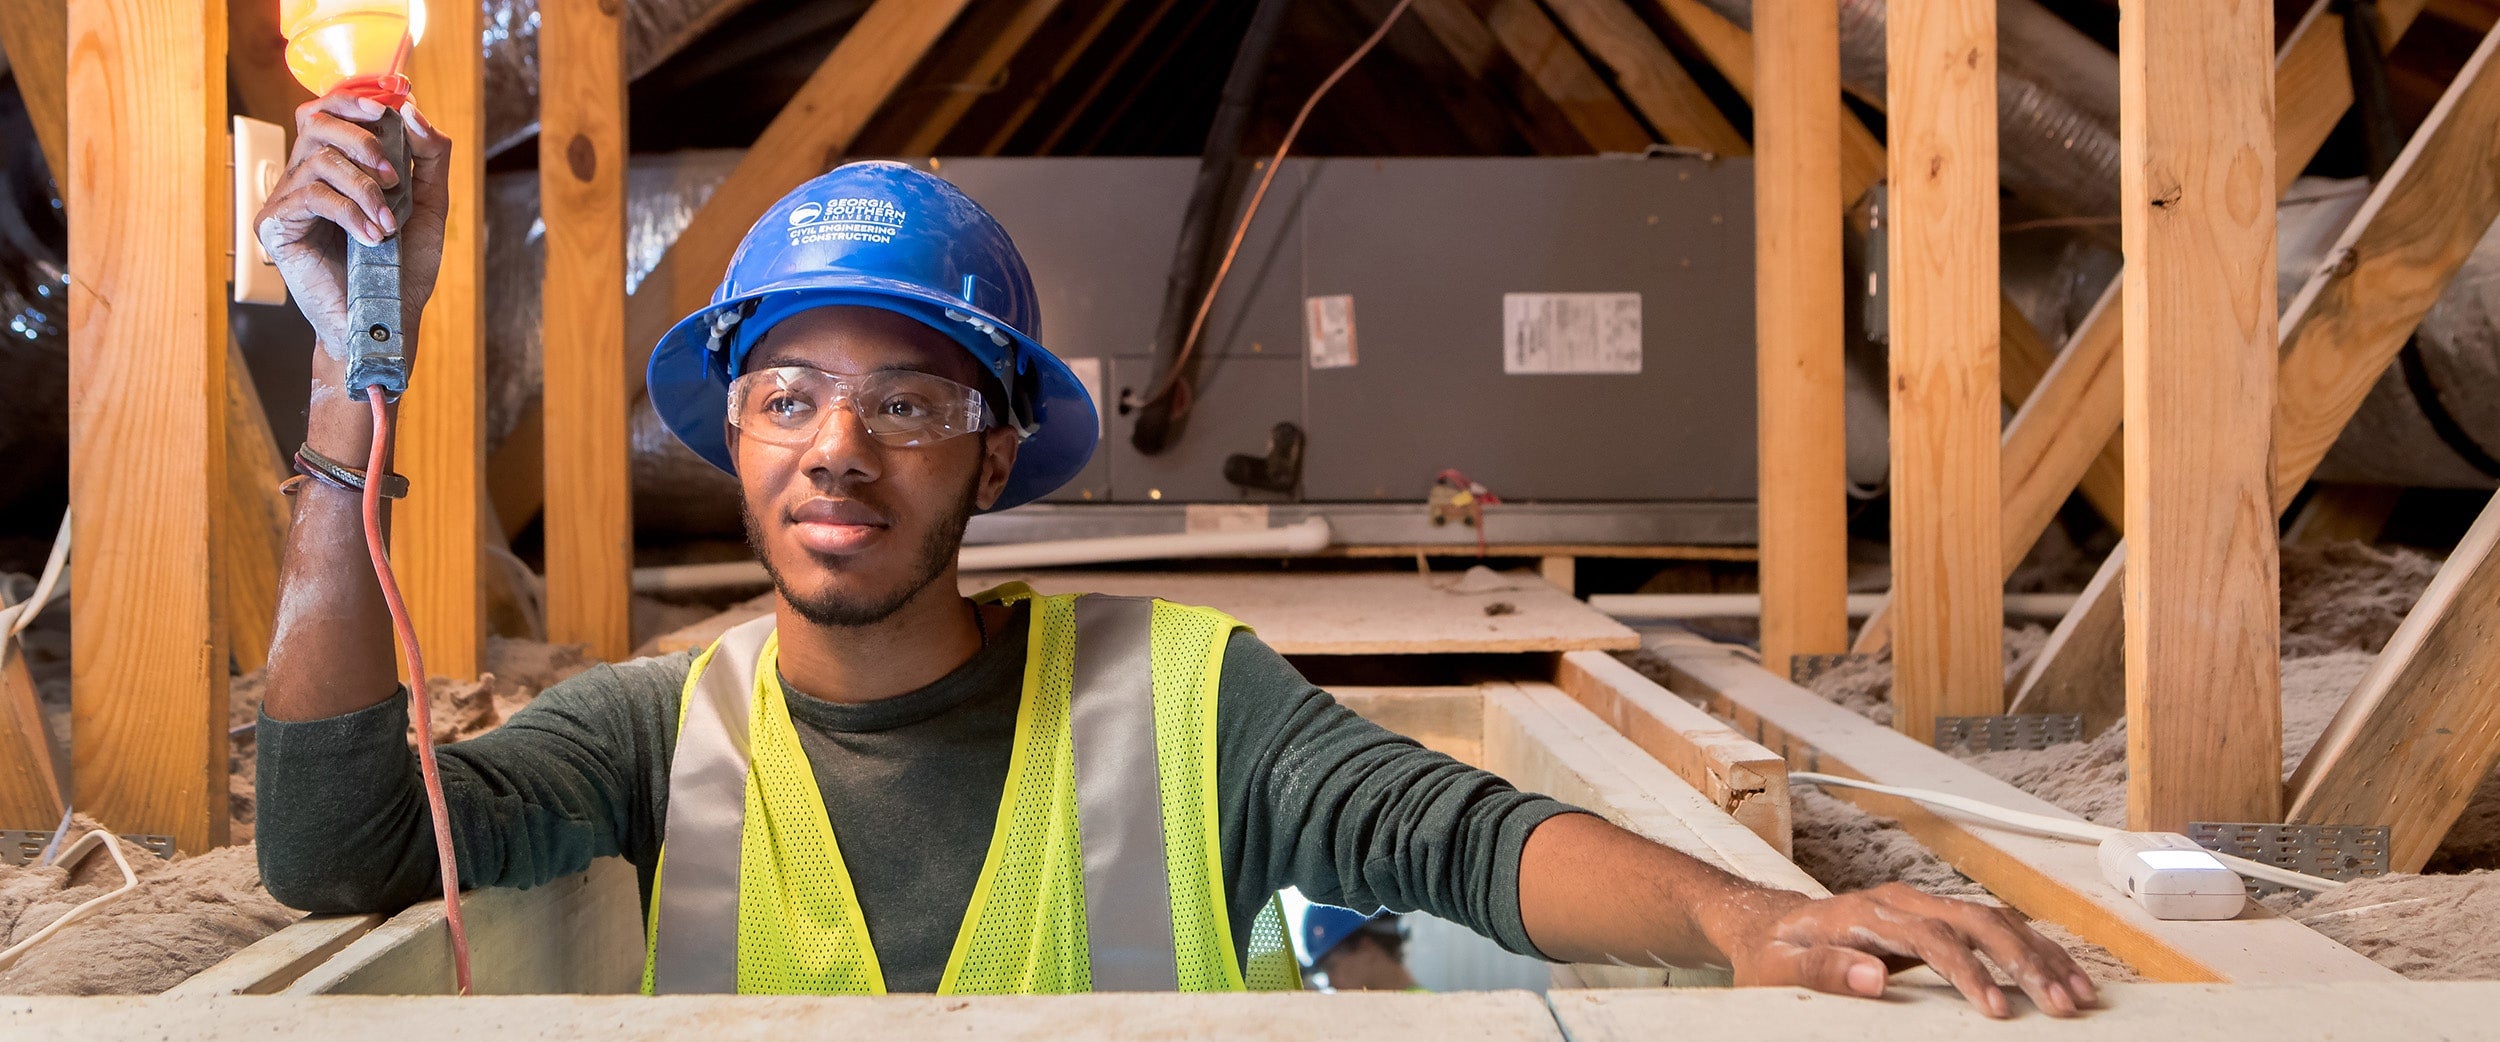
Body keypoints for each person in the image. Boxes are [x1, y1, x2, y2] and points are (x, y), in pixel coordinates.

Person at [247, 90, 2096, 1016]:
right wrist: (347, 383)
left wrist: (1753, 918)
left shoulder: (1186, 699)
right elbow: (335, 845)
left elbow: (1461, 837)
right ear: (733, 432)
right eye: (792, 392)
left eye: (907, 404)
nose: (838, 446)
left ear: (993, 456)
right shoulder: (658, 727)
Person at [1301, 907, 1419, 992]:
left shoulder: (1417, 1014)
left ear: (1366, 947)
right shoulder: (1421, 1008)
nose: (1331, 983)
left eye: (1331, 967)